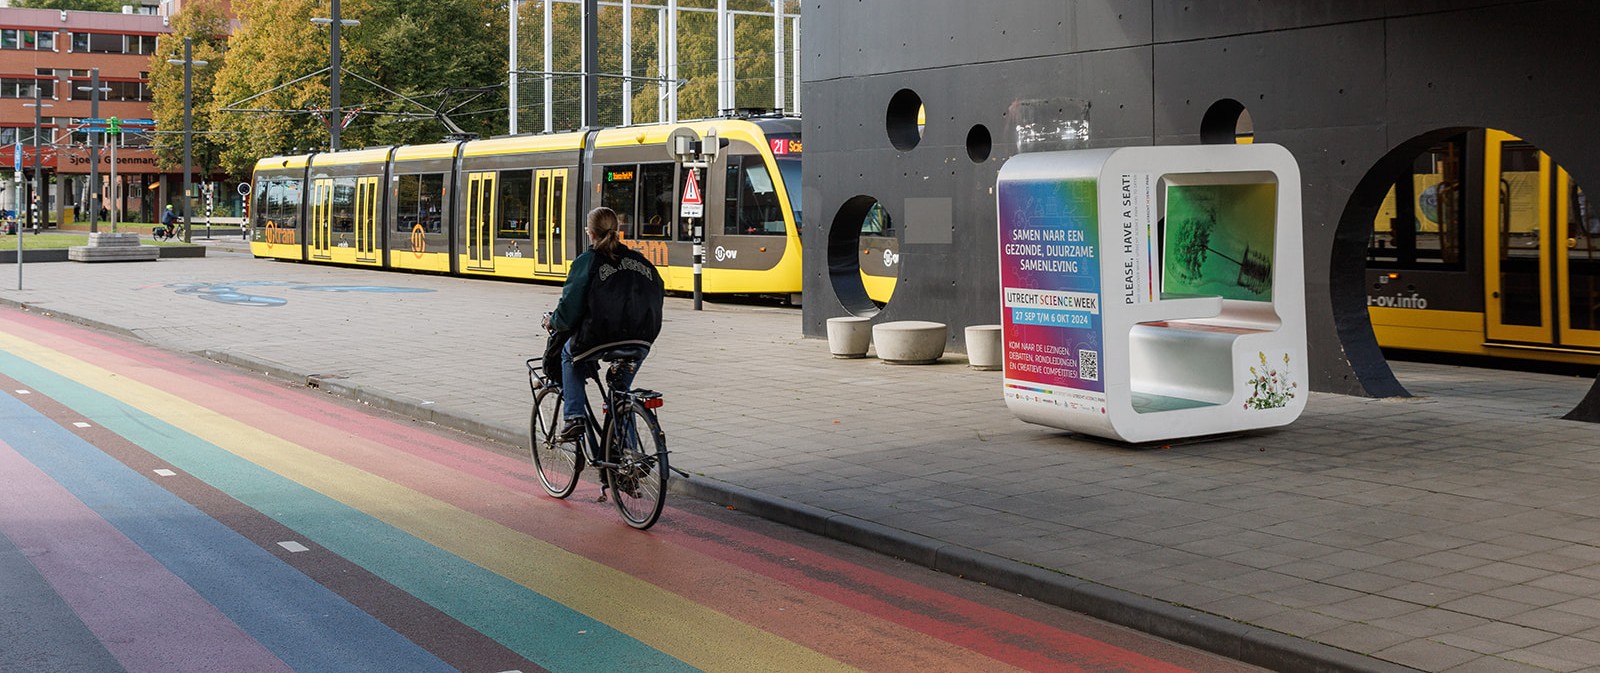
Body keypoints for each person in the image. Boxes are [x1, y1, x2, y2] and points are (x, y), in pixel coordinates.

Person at [543, 206, 665, 441]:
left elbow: (568, 310)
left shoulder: (588, 260)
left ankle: (574, 417)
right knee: (619, 392)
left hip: (599, 337)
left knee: (569, 355)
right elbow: (657, 292)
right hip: (642, 338)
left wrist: (553, 321)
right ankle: (628, 454)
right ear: (617, 230)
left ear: (590, 232)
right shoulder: (640, 260)